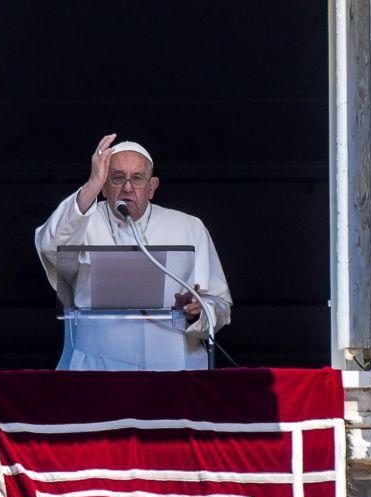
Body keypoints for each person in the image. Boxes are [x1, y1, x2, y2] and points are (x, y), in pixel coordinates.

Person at [35, 134, 232, 370]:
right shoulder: (82, 218)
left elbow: (219, 305)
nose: (127, 187)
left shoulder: (189, 227)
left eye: (137, 178)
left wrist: (196, 311)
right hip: (98, 364)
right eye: (117, 178)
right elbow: (50, 246)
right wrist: (91, 184)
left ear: (152, 187)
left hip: (173, 366)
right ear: (104, 186)